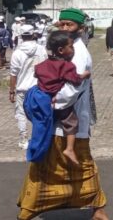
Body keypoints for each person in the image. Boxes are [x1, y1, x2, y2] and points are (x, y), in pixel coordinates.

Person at [17, 8, 107, 220]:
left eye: (70, 25)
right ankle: (97, 209)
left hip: (65, 122)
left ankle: (30, 211)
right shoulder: (66, 50)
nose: (65, 28)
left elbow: (70, 90)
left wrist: (49, 103)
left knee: (75, 166)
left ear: (81, 28)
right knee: (74, 166)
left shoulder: (77, 53)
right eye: (62, 24)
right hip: (60, 123)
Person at [32, 31, 92, 165]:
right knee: (71, 122)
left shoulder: (42, 65)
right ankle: (70, 149)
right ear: (61, 50)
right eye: (70, 47)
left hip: (44, 101)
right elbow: (75, 80)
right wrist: (84, 75)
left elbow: (36, 75)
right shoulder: (66, 66)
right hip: (60, 102)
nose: (73, 49)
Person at [9, 24, 48, 149]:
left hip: (22, 89)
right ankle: (39, 139)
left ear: (21, 35)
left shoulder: (17, 53)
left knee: (21, 114)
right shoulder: (41, 49)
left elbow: (13, 74)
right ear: (33, 34)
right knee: (39, 114)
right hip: (39, 88)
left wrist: (11, 90)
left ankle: (23, 139)